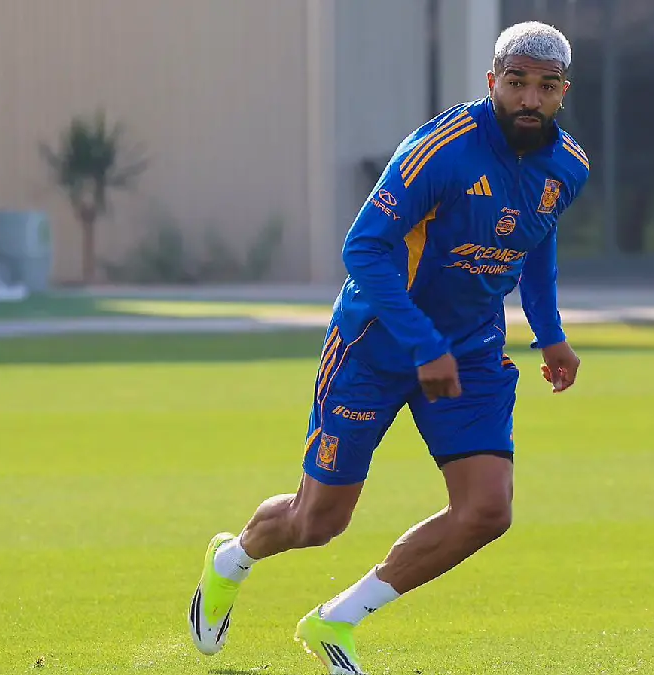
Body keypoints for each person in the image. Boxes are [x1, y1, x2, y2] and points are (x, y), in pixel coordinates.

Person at [188, 21, 589, 674]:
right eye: (516, 83)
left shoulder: (568, 165)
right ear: (493, 82)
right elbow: (363, 248)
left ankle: (335, 620)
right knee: (318, 521)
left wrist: (551, 335)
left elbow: (536, 242)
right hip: (377, 343)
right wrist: (423, 343)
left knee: (488, 509)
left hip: (473, 348)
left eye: (544, 87)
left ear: (561, 93)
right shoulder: (442, 150)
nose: (528, 99)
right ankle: (232, 558)